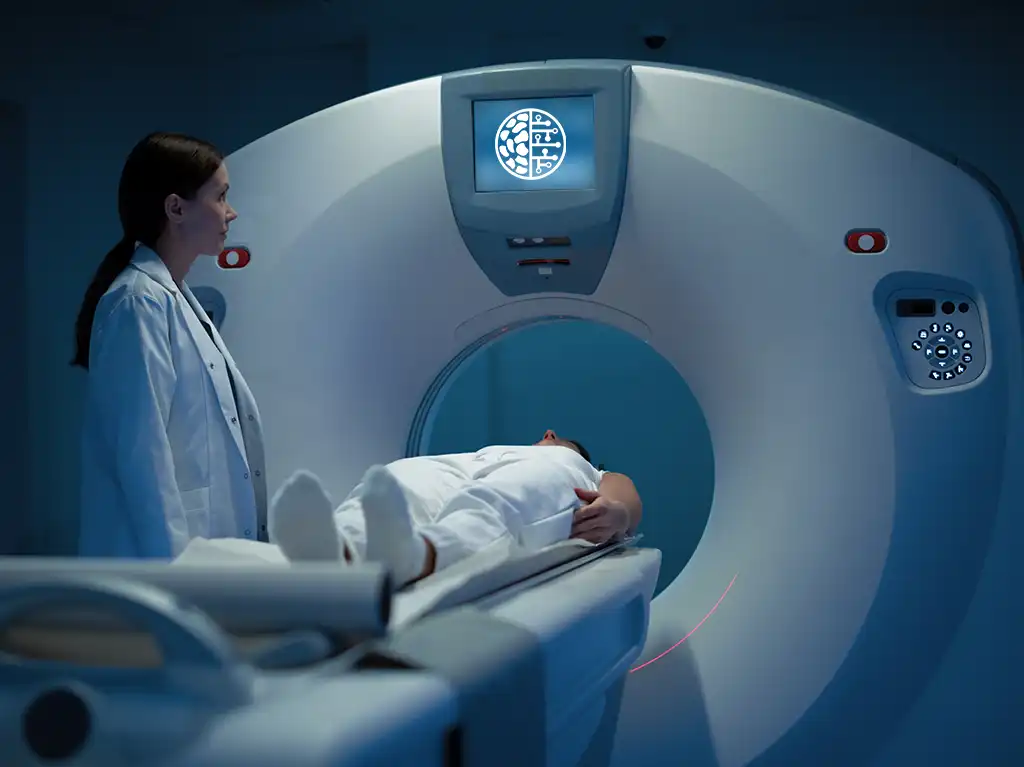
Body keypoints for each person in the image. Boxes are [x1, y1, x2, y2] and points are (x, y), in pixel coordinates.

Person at [73, 132, 268, 559]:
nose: (231, 212)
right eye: (221, 196)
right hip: (162, 560)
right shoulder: (137, 303)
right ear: (176, 208)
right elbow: (143, 455)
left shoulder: (176, 299)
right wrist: (174, 572)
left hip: (199, 556)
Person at [261, 429, 643, 587]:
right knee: (402, 480)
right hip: (458, 466)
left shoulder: (576, 465)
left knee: (496, 503)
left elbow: (623, 491)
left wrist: (620, 514)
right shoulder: (490, 452)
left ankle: (419, 554)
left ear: (551, 437)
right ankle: (342, 544)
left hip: (546, 473)